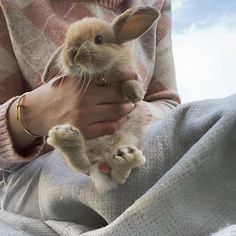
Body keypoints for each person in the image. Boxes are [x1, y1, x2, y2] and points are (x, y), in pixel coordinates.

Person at [1, 0, 235, 235]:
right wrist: (32, 112)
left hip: (134, 141)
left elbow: (167, 103)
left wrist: (125, 110)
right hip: (40, 172)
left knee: (222, 125)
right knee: (110, 186)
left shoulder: (154, 4)